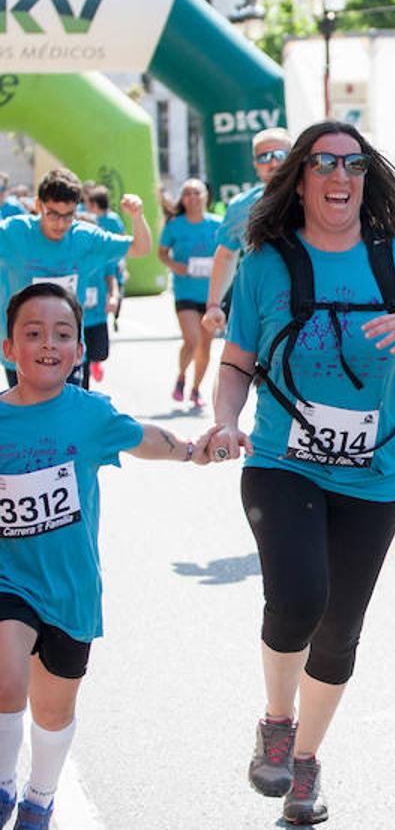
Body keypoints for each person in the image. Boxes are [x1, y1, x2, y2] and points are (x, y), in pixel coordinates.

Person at [205, 121, 395, 826]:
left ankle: (305, 763)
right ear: (300, 179)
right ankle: (275, 718)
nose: (340, 175)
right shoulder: (266, 262)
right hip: (280, 463)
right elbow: (237, 362)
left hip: (375, 477)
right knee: (298, 598)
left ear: (366, 179)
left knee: (338, 630)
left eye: (353, 164)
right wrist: (229, 418)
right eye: (323, 163)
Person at [0, 283, 228, 830]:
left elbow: (141, 437)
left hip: (72, 589)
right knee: (7, 680)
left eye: (62, 334)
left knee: (53, 712)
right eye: (33, 334)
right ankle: (4, 784)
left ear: (80, 351)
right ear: (9, 348)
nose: (48, 344)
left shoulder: (89, 415)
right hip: (11, 580)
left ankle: (40, 795)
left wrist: (188, 453)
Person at [0, 170, 150, 389]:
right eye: (52, 214)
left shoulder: (85, 238)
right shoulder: (16, 232)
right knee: (31, 421)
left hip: (66, 352)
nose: (60, 224)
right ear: (38, 204)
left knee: (69, 421)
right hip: (22, 352)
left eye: (68, 215)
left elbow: (140, 247)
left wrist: (137, 216)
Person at [202, 128, 294, 335]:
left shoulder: (317, 198)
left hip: (315, 310)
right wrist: (214, 305)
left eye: (280, 155)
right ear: (255, 164)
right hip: (261, 314)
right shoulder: (240, 207)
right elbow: (226, 255)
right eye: (264, 157)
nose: (273, 163)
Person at [158, 179, 222, 408]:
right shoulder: (175, 225)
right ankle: (181, 376)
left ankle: (196, 390)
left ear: (206, 196)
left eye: (197, 193)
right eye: (187, 194)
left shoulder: (217, 224)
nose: (192, 198)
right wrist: (176, 266)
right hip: (185, 291)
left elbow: (229, 253)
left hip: (212, 295)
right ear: (183, 199)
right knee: (192, 339)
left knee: (205, 345)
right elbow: (162, 253)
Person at [79, 187, 127, 385]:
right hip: (77, 319)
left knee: (100, 353)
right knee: (80, 365)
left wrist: (113, 296)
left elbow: (111, 275)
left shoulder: (102, 254)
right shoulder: (69, 256)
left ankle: (93, 364)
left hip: (97, 314)